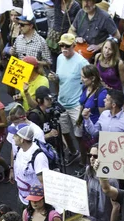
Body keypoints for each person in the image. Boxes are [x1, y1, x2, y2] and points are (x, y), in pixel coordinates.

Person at [49, 33, 88, 166]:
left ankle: (84, 161)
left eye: (67, 46)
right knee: (64, 132)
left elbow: (90, 81)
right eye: (61, 45)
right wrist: (55, 79)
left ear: (74, 46)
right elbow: (60, 79)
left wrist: (85, 101)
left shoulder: (82, 62)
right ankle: (73, 153)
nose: (64, 48)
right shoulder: (60, 58)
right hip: (62, 102)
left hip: (76, 104)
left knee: (79, 135)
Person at [10, 125, 49, 206]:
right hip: (22, 197)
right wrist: (12, 170)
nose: (13, 138)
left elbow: (44, 182)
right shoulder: (20, 149)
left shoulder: (39, 157)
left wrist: (39, 205)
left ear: (22, 140)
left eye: (15, 136)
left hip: (34, 203)